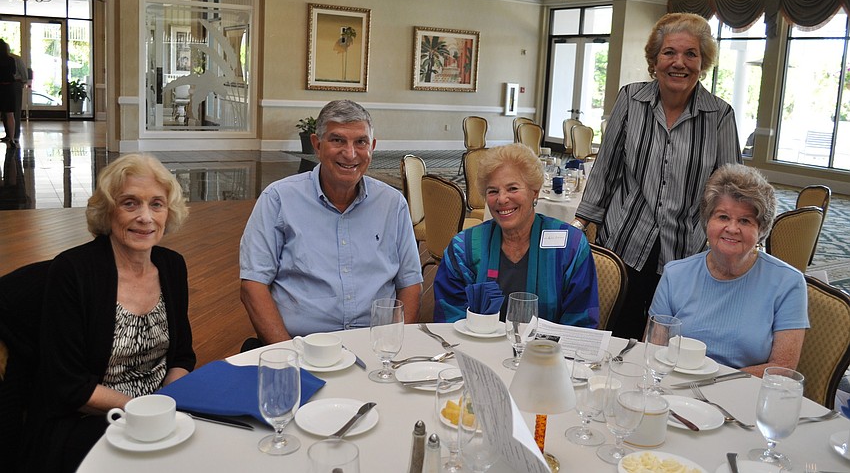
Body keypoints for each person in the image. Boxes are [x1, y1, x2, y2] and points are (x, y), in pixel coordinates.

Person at [20, 154, 196, 472]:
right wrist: (145, 410)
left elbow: (182, 355)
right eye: (130, 203)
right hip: (88, 421)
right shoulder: (73, 272)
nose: (146, 217)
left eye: (156, 204)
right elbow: (69, 387)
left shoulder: (171, 266)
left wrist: (170, 402)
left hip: (160, 412)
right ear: (108, 210)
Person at [574, 12, 741, 339]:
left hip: (685, 249)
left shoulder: (719, 115)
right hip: (624, 238)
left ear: (702, 62)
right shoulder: (630, 99)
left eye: (691, 54)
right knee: (615, 331)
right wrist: (583, 223)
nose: (679, 62)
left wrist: (726, 244)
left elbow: (730, 189)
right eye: (669, 52)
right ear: (655, 60)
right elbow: (606, 168)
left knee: (667, 339)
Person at [240, 99, 422, 343]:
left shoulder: (392, 204)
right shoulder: (278, 199)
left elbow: (410, 284)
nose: (350, 153)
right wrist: (288, 354)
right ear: (317, 144)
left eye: (361, 142)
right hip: (302, 345)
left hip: (374, 345)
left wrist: (392, 345)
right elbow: (253, 286)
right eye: (338, 140)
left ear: (372, 147)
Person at [649, 163, 808, 377]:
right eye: (723, 217)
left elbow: (782, 367)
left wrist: (716, 382)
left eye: (745, 220)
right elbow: (654, 351)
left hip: (745, 395)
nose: (732, 228)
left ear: (761, 230)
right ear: (707, 222)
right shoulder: (675, 275)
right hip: (678, 389)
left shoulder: (788, 283)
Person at [433, 143, 599, 327]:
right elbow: (449, 321)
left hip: (549, 353)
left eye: (512, 188)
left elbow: (580, 323)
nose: (502, 199)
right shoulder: (464, 249)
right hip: (477, 351)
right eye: (493, 191)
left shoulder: (571, 247)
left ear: (534, 192)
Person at [0, 40, 17, 148]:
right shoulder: (10, 59)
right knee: (10, 114)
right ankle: (11, 139)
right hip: (9, 88)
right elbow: (14, 72)